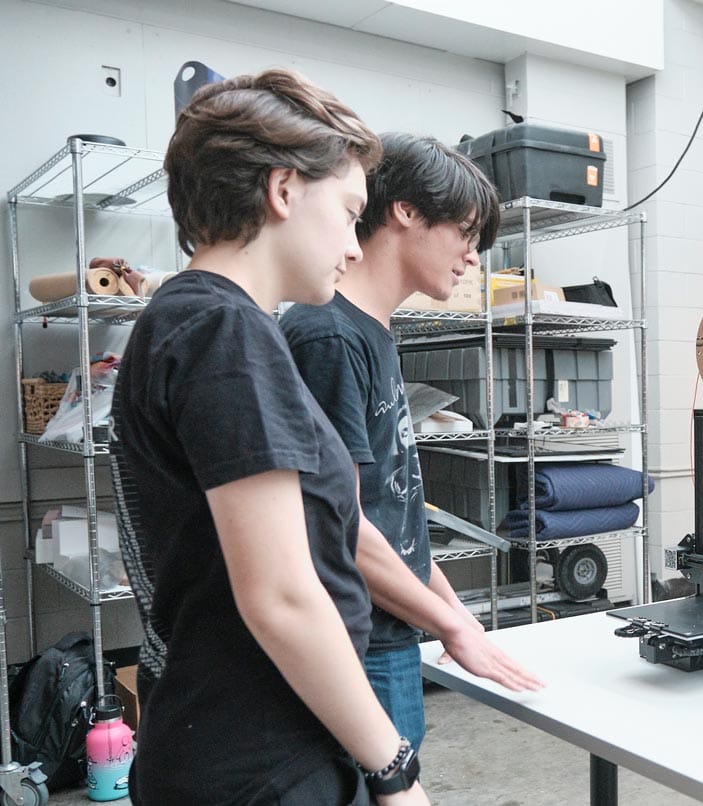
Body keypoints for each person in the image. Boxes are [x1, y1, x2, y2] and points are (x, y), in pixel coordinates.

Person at [110, 69, 428, 804]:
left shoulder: (195, 320)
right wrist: (393, 770)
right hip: (259, 760)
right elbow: (281, 595)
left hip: (240, 742)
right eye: (351, 213)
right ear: (283, 191)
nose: (355, 246)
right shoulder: (224, 330)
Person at [280, 133, 543, 751]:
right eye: (466, 234)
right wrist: (452, 627)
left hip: (390, 635)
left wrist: (460, 620)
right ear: (405, 211)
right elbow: (337, 523)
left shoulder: (372, 332)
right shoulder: (328, 337)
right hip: (355, 643)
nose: (472, 258)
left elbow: (394, 514)